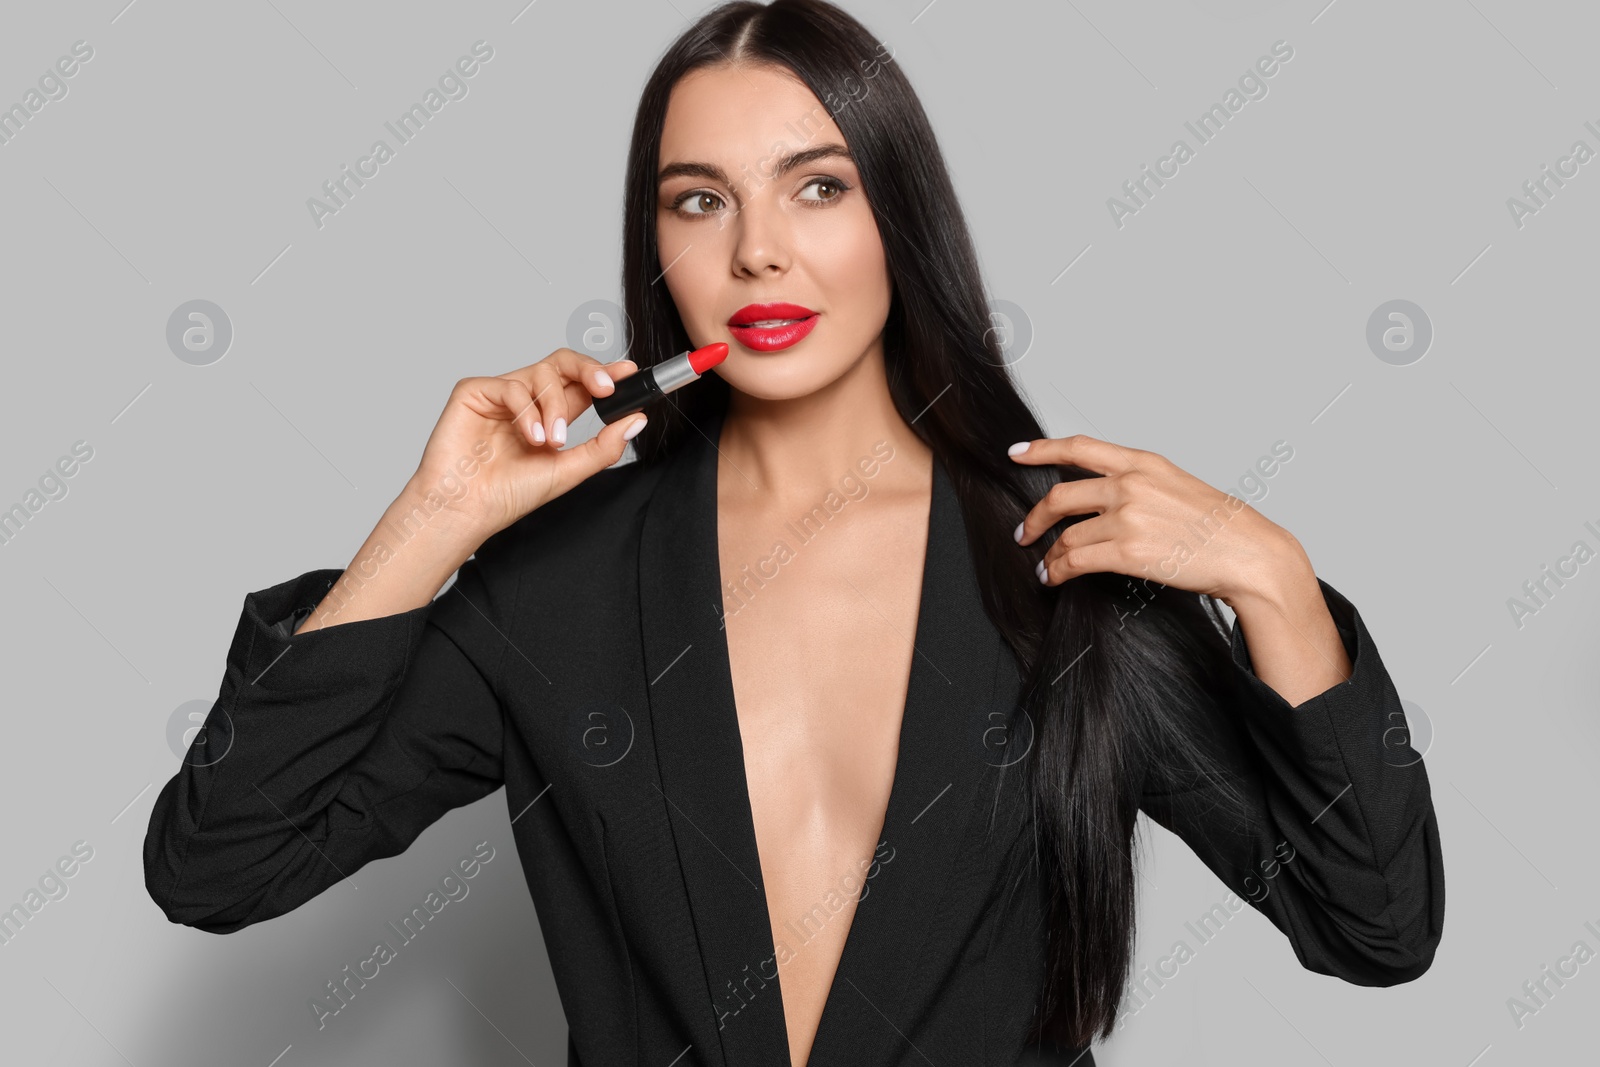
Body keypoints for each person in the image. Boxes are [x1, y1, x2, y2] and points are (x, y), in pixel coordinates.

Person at [143, 2, 1445, 1064]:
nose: (758, 250)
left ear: (900, 218)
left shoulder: (1064, 573)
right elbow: (218, 866)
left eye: (816, 187)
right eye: (698, 200)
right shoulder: (554, 589)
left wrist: (1273, 582)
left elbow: (1375, 924)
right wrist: (428, 524)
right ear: (657, 245)